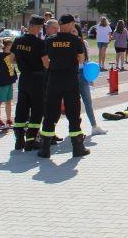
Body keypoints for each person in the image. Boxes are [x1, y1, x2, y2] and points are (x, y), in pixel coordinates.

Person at [38, 14, 90, 159]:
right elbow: (82, 59)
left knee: (50, 112)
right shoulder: (75, 40)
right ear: (71, 24)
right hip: (70, 79)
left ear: (60, 25)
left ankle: (45, 149)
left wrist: (55, 67)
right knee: (73, 113)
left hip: (54, 79)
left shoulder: (49, 40)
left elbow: (45, 61)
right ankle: (77, 148)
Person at [11, 15, 49, 151]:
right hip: (37, 79)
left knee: (22, 108)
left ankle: (19, 139)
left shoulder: (18, 40)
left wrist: (21, 64)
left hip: (24, 78)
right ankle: (31, 140)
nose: (40, 30)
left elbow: (11, 59)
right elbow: (46, 63)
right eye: (40, 27)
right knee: (37, 109)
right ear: (37, 27)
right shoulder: (39, 43)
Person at [73, 23, 106, 136]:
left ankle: (94, 126)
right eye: (71, 31)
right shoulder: (67, 44)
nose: (73, 33)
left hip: (82, 74)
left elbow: (86, 61)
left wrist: (89, 77)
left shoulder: (84, 43)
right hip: (71, 75)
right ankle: (75, 128)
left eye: (74, 31)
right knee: (74, 103)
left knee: (88, 101)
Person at [0, 38, 17, 130]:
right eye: (11, 45)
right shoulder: (0, 55)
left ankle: (9, 120)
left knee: (8, 102)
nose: (12, 47)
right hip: (2, 82)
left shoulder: (12, 55)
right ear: (6, 46)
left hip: (9, 82)